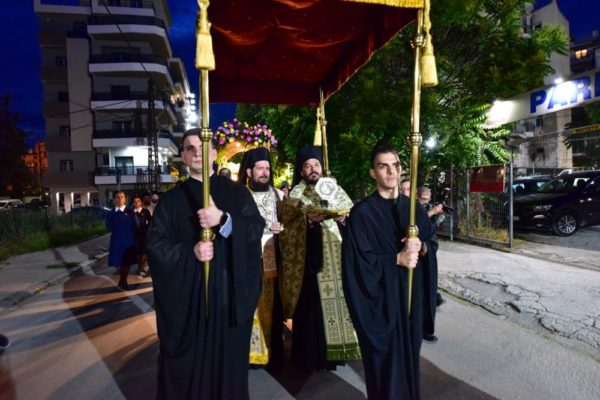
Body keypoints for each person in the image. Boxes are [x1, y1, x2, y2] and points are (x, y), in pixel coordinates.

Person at [146, 129, 264, 400]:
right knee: (188, 368)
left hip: (228, 297)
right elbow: (155, 245)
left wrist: (223, 219)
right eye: (190, 148)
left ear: (214, 153)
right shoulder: (171, 201)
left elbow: (255, 229)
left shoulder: (237, 193)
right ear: (183, 157)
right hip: (189, 301)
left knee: (227, 369)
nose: (197, 152)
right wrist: (191, 253)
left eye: (203, 146)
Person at [342, 141, 438, 400]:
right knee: (385, 371)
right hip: (381, 306)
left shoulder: (413, 210)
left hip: (411, 301)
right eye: (383, 166)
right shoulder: (361, 214)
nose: (391, 171)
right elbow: (356, 264)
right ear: (373, 173)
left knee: (410, 365)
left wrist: (422, 248)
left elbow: (431, 243)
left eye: (395, 165)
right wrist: (396, 258)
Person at [279, 145, 360, 372]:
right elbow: (286, 227)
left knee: (335, 305)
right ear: (302, 171)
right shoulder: (296, 194)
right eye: (308, 166)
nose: (313, 169)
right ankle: (308, 358)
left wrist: (341, 218)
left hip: (334, 260)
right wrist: (307, 220)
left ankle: (335, 354)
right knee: (309, 309)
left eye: (316, 164)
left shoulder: (334, 189)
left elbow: (351, 217)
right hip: (307, 262)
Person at [238, 147, 285, 366]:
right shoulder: (239, 196)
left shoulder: (279, 196)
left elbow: (291, 225)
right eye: (260, 169)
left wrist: (282, 228)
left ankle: (271, 351)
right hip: (247, 261)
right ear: (249, 172)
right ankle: (251, 354)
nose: (265, 173)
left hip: (273, 260)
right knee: (250, 307)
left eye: (267, 168)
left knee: (271, 307)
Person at [106, 190, 137, 290]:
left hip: (128, 240)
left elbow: (135, 224)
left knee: (126, 262)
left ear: (125, 199)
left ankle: (124, 280)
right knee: (117, 262)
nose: (120, 199)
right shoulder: (111, 213)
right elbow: (108, 225)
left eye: (122, 197)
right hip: (116, 240)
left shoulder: (130, 212)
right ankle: (122, 279)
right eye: (118, 197)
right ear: (114, 199)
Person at [131, 194, 152, 278]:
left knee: (143, 252)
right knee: (138, 253)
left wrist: (147, 230)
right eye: (135, 201)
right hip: (134, 236)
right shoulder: (131, 212)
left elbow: (151, 222)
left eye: (138, 201)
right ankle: (140, 267)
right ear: (133, 203)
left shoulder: (145, 211)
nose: (137, 203)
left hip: (144, 235)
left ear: (141, 202)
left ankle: (142, 268)